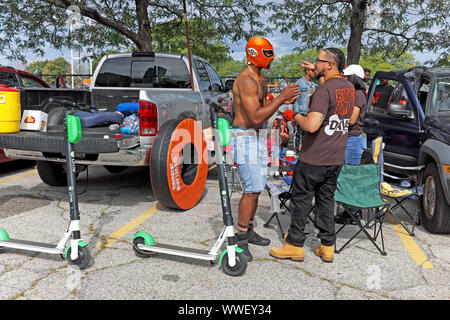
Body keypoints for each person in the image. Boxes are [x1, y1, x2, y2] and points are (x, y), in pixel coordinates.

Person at [269, 48, 355, 263]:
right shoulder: (348, 87)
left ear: (330, 65)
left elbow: (312, 125)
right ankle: (327, 246)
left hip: (314, 157)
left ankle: (294, 245)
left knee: (301, 201)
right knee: (326, 201)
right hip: (335, 157)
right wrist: (314, 70)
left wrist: (295, 115)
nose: (315, 64)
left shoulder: (323, 91)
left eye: (318, 61)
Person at [232, 36, 299, 261]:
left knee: (258, 187)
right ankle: (240, 240)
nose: (273, 58)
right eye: (268, 53)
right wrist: (281, 98)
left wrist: (276, 100)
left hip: (256, 137)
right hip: (245, 136)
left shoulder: (258, 76)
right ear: (254, 54)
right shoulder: (247, 79)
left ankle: (248, 231)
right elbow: (253, 117)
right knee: (251, 189)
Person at [335, 64, 368, 224]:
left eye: (347, 76)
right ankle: (349, 210)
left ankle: (353, 213)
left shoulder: (358, 95)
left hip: (353, 139)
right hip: (350, 139)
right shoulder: (355, 93)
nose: (345, 79)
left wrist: (335, 120)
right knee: (347, 175)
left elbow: (352, 119)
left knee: (351, 177)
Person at [292, 67, 318, 154]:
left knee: (307, 135)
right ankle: (297, 152)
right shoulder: (299, 83)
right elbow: (294, 99)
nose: (314, 72)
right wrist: (295, 115)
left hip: (310, 114)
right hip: (300, 113)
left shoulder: (314, 84)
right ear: (307, 71)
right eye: (312, 70)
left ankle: (305, 152)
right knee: (298, 134)